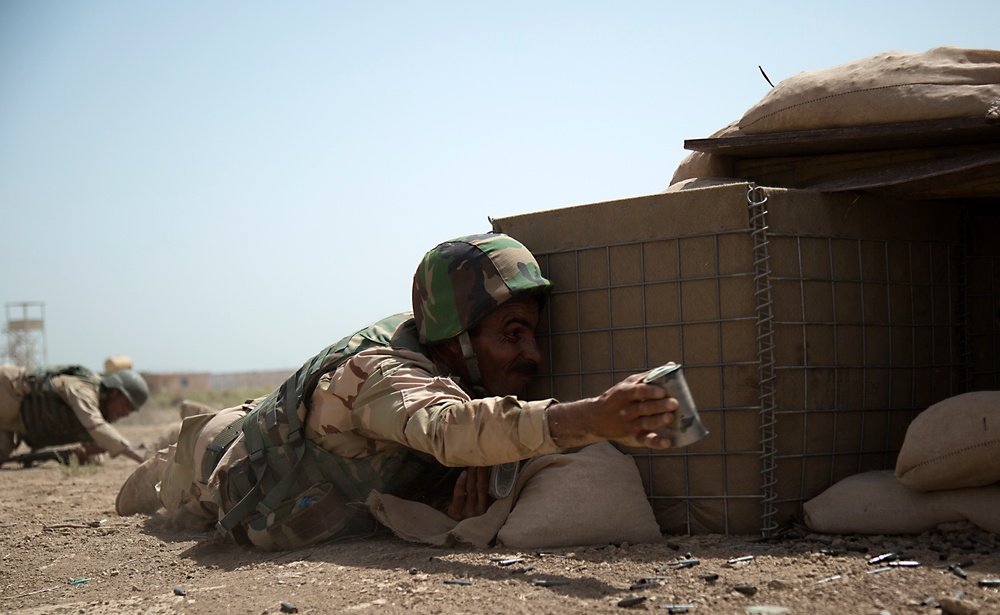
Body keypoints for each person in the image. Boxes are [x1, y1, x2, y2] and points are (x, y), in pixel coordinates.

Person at [116, 233, 680, 549]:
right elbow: (449, 429)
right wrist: (591, 419)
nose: (532, 354)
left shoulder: (443, 363)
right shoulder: (382, 376)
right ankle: (162, 452)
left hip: (317, 459)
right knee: (154, 488)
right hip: (214, 459)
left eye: (533, 333)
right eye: (513, 334)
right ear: (457, 340)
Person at [0, 364, 150, 464]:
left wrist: (83, 454)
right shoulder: (83, 388)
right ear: (114, 393)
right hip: (8, 390)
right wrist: (139, 458)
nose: (125, 414)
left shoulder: (98, 412)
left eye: (130, 411)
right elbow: (95, 425)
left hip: (12, 424)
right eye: (126, 406)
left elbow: (97, 454)